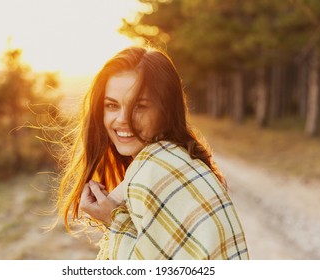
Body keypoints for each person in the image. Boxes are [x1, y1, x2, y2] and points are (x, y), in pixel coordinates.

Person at [57, 46, 249, 260]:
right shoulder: (176, 160)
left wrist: (114, 219)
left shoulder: (155, 170)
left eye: (139, 106)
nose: (122, 119)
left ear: (165, 111)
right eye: (112, 105)